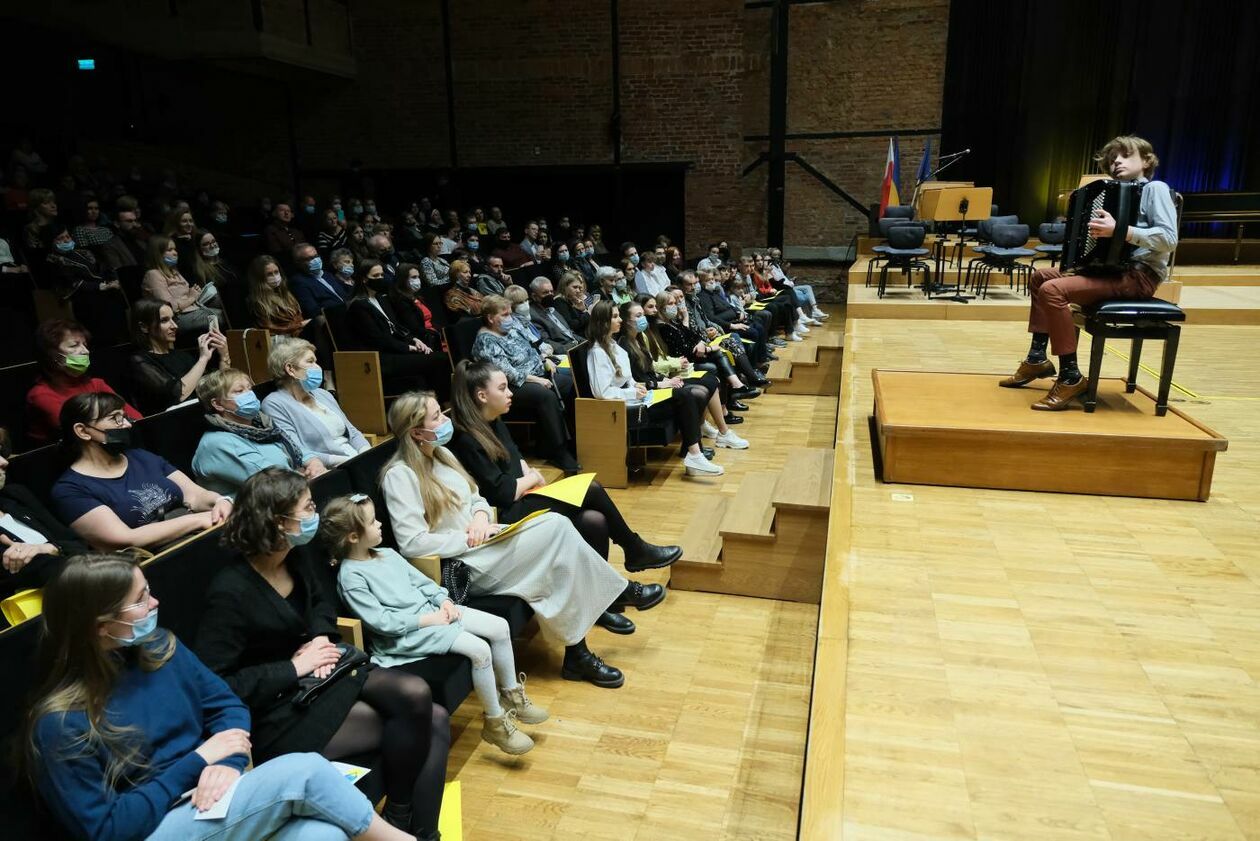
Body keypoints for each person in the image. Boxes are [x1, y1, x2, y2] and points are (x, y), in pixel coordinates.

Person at [25, 554, 414, 841]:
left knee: (321, 834)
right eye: (141, 599)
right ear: (101, 627)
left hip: (209, 796)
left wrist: (226, 762)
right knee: (306, 771)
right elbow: (108, 830)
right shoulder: (60, 724)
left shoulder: (162, 648)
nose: (155, 604)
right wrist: (197, 762)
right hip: (148, 829)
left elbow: (226, 705)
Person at [194, 469, 450, 840]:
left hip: (322, 675)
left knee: (419, 697)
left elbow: (322, 608)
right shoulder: (230, 593)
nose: (315, 514)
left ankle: (404, 822)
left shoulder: (296, 557)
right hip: (279, 712)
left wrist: (321, 641)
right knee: (432, 719)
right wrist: (294, 666)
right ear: (279, 521)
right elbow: (217, 685)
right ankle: (409, 829)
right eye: (308, 507)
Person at [383, 392, 661, 687]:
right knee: (555, 528)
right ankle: (613, 596)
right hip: (462, 564)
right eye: (437, 416)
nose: (446, 420)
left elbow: (476, 497)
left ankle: (580, 649)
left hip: (486, 543)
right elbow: (412, 543)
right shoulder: (399, 476)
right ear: (416, 432)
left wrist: (479, 517)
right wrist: (466, 539)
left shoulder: (443, 455)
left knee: (557, 535)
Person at [323, 494, 547, 755]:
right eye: (373, 522)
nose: (380, 524)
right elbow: (381, 622)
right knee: (480, 650)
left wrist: (444, 600)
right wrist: (428, 620)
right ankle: (495, 722)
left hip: (435, 613)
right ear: (352, 537)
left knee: (499, 627)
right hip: (408, 634)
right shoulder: (351, 577)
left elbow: (422, 583)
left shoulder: (386, 554)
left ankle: (511, 694)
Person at [448, 358, 682, 576]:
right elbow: (503, 492)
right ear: (482, 396)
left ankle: (607, 592)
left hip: (524, 496)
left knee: (594, 520)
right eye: (502, 389)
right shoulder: (467, 439)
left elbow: (516, 456)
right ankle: (634, 549)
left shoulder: (494, 420)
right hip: (506, 516)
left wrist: (526, 473)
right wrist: (533, 477)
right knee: (591, 488)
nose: (510, 393)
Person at [1001, 135, 1178, 410]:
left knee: (1053, 290)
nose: (1116, 161)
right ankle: (1037, 358)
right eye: (1112, 158)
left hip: (1139, 276)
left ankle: (1070, 377)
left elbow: (1169, 239)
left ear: (1146, 160)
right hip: (1114, 273)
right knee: (1041, 277)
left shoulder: (1155, 188)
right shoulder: (1116, 194)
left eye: (1124, 155)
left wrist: (1121, 231)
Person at [52, 392, 232, 551]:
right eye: (115, 418)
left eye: (124, 417)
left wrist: (220, 501)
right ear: (83, 431)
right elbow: (125, 538)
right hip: (155, 558)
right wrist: (198, 520)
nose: (127, 425)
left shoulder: (140, 457)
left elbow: (195, 495)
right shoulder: (70, 489)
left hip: (199, 534)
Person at [586, 301, 730, 477]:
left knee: (687, 394)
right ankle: (694, 454)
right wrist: (633, 391)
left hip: (633, 398)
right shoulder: (597, 352)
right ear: (603, 322)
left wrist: (636, 386)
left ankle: (694, 453)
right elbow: (602, 392)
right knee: (685, 395)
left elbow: (628, 378)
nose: (620, 320)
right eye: (615, 317)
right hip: (619, 408)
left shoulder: (613, 344)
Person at [471, 295, 579, 473]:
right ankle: (558, 450)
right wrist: (537, 379)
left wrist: (544, 360)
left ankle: (571, 440)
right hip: (512, 385)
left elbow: (531, 347)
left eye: (510, 313)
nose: (510, 318)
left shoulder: (511, 329)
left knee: (571, 384)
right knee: (546, 396)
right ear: (490, 318)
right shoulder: (486, 341)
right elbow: (506, 372)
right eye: (504, 315)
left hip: (537, 373)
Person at [192, 368, 328, 495]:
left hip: (290, 495)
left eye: (249, 388)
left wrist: (313, 462)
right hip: (255, 512)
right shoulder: (217, 443)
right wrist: (305, 474)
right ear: (218, 404)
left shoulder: (263, 426)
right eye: (239, 391)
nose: (249, 394)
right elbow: (273, 481)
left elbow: (297, 449)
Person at [619, 299, 744, 431]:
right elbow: (636, 379)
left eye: (642, 315)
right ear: (626, 320)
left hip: (658, 379)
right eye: (638, 316)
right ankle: (704, 436)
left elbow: (650, 368)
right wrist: (662, 382)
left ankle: (718, 430)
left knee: (711, 380)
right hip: (647, 390)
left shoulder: (640, 338)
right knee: (698, 392)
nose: (644, 318)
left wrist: (664, 379)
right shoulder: (624, 345)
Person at [0, 426, 87, 605]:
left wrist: (50, 548)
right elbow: (39, 570)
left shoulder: (15, 495)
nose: (4, 462)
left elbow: (80, 545)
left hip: (82, 593)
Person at [347, 260, 451, 400]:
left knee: (440, 357)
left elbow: (396, 327)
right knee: (440, 359)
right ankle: (442, 403)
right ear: (364, 279)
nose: (380, 279)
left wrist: (414, 340)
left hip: (397, 348)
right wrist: (408, 347)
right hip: (383, 357)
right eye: (375, 276)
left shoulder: (381, 298)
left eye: (382, 275)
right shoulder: (358, 306)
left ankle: (438, 403)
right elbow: (379, 339)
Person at [25, 319, 141, 445]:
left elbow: (137, 419)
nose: (85, 351)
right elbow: (85, 434)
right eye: (74, 346)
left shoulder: (96, 384)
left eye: (84, 345)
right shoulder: (41, 395)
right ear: (51, 355)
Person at [261, 338, 369, 466]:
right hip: (328, 469)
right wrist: (348, 462)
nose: (317, 367)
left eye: (316, 362)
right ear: (290, 369)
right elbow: (295, 449)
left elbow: (352, 432)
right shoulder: (274, 404)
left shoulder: (323, 394)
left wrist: (366, 453)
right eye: (310, 362)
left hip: (356, 460)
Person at [128, 300, 232, 415]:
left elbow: (216, 389)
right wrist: (203, 359)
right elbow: (177, 394)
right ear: (144, 327)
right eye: (164, 320)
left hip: (203, 416)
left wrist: (224, 356)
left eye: (173, 319)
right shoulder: (139, 361)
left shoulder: (182, 356)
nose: (175, 326)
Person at [42, 224, 131, 345]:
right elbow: (71, 282)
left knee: (117, 296)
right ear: (51, 242)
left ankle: (122, 338)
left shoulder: (82, 253)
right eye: (60, 238)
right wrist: (101, 286)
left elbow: (103, 268)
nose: (66, 240)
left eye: (67, 236)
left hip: (101, 288)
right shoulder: (53, 260)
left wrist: (111, 280)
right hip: (81, 295)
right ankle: (104, 342)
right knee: (98, 302)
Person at [142, 234, 225, 333]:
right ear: (158, 254)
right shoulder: (153, 275)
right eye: (169, 250)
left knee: (226, 302)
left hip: (193, 309)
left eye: (175, 249)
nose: (175, 253)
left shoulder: (174, 272)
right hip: (177, 318)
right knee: (221, 317)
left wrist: (195, 293)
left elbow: (187, 296)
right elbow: (169, 307)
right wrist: (191, 297)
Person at [388, 262, 444, 348]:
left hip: (433, 334)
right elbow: (414, 328)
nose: (418, 280)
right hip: (424, 340)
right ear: (403, 280)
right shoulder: (401, 301)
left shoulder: (417, 297)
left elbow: (430, 320)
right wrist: (436, 334)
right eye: (414, 277)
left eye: (418, 277)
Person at [290, 242, 351, 318]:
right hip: (335, 318)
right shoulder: (299, 282)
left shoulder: (326, 274)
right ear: (298, 263)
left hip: (350, 312)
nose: (315, 260)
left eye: (316, 256)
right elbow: (312, 311)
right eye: (309, 259)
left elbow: (347, 292)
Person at [527, 277, 582, 352]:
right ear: (534, 296)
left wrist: (583, 341)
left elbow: (568, 331)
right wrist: (573, 346)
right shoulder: (533, 315)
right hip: (566, 351)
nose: (550, 295)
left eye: (551, 292)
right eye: (545, 293)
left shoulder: (552, 307)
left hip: (577, 344)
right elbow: (546, 342)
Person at [552, 271, 590, 335]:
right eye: (575, 287)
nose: (578, 291)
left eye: (579, 287)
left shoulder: (573, 298)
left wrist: (583, 310)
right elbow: (572, 325)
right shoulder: (559, 301)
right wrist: (587, 313)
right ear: (565, 286)